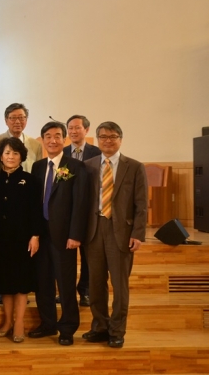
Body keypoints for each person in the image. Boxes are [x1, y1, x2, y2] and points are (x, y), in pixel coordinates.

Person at [82, 122, 147, 349]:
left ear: (120, 139)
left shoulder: (134, 167)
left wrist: (138, 234)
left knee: (120, 286)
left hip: (121, 232)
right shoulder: (88, 166)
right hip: (93, 230)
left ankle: (117, 330)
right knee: (96, 283)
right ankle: (100, 326)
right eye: (103, 137)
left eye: (113, 136)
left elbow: (141, 204)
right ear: (97, 140)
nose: (108, 141)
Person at [28, 122, 89, 346]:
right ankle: (48, 323)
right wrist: (34, 233)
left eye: (57, 136)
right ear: (42, 140)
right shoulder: (37, 167)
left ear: (64, 139)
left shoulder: (75, 166)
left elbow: (80, 203)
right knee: (42, 282)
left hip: (64, 236)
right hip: (41, 235)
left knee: (65, 283)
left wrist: (75, 235)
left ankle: (68, 327)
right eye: (48, 136)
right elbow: (34, 204)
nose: (52, 140)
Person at [0, 137, 42, 343]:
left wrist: (35, 236)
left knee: (21, 284)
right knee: (5, 284)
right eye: (7, 153)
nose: (10, 157)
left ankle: (19, 322)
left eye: (15, 153)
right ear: (0, 156)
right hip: (0, 240)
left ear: (21, 156)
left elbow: (36, 211)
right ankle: (7, 322)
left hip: (23, 240)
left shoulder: (31, 180)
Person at [59, 114, 102, 307]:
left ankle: (85, 291)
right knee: (65, 257)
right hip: (67, 212)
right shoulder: (62, 152)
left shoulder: (97, 152)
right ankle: (66, 292)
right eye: (70, 128)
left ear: (86, 130)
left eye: (77, 127)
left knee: (87, 256)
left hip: (90, 210)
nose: (73, 131)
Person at [0, 103, 43, 172]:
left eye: (21, 118)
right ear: (6, 121)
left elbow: (39, 171)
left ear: (26, 120)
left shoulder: (36, 145)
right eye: (13, 118)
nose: (17, 122)